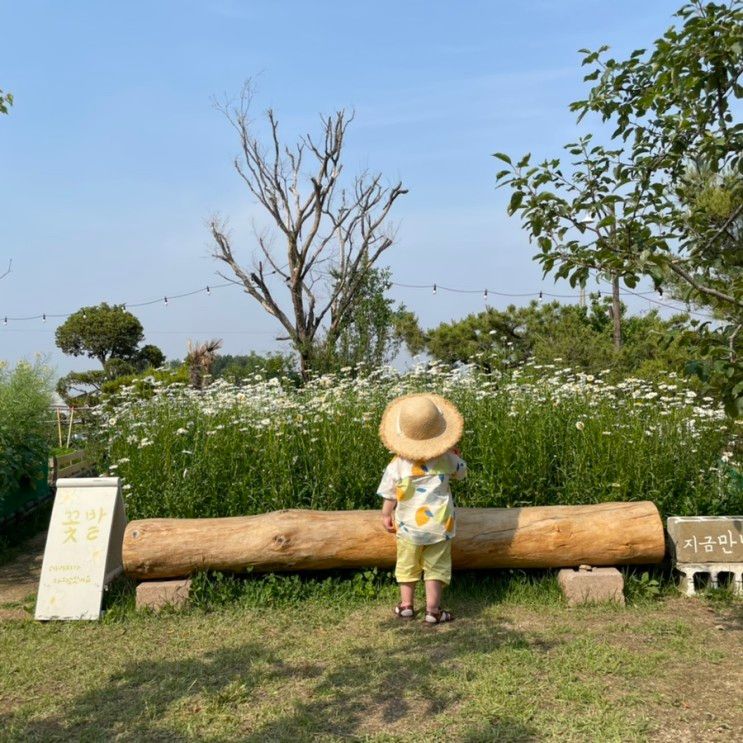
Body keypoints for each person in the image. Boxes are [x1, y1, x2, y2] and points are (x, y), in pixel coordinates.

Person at [377, 393, 467, 624]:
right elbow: (462, 473)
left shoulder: (397, 464)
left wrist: (387, 514)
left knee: (407, 565)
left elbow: (389, 494)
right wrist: (457, 456)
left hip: (407, 527)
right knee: (436, 567)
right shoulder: (447, 459)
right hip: (440, 525)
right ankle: (433, 611)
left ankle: (406, 606)